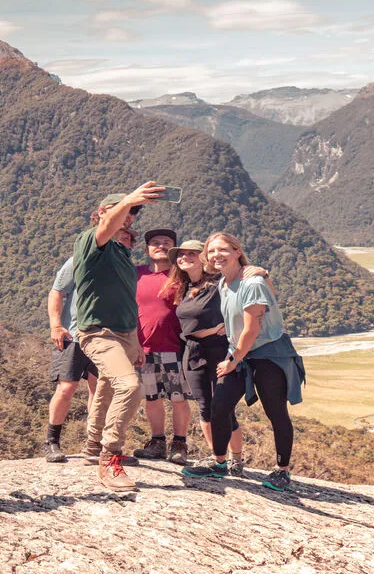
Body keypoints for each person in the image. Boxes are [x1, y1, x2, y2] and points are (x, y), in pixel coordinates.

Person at [181, 232, 305, 492]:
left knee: (276, 411)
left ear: (237, 251)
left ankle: (282, 471)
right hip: (240, 352)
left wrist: (232, 361)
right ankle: (219, 463)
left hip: (268, 353)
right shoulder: (226, 283)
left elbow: (252, 329)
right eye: (211, 251)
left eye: (223, 249)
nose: (216, 255)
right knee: (220, 406)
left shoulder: (251, 283)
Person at [75, 182, 163, 492]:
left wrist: (135, 340)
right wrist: (128, 200)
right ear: (101, 214)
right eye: (123, 213)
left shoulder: (120, 253)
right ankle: (109, 457)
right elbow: (106, 226)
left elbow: (128, 300)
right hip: (98, 332)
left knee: (108, 389)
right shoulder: (91, 243)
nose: (129, 218)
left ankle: (92, 444)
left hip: (124, 334)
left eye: (132, 215)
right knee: (130, 386)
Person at [163, 241, 272, 476]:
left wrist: (262, 272)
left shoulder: (218, 283)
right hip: (192, 353)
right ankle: (217, 458)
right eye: (181, 255)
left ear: (203, 258)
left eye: (192, 254)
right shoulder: (183, 287)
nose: (185, 258)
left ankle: (236, 460)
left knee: (224, 408)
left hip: (220, 351)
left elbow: (247, 284)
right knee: (205, 408)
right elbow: (187, 326)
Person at [44, 228, 137, 463]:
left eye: (127, 239)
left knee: (100, 390)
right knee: (67, 387)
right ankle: (52, 441)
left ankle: (92, 444)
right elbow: (57, 291)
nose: (122, 242)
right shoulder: (81, 259)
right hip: (74, 333)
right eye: (118, 236)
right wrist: (56, 325)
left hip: (106, 336)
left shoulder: (123, 267)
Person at [132, 228, 192, 465]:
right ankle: (157, 442)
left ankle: (180, 444)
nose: (161, 246)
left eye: (167, 242)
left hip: (174, 348)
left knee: (178, 398)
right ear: (147, 249)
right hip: (143, 349)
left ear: (175, 248)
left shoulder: (182, 276)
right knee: (152, 398)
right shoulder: (135, 274)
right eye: (155, 243)